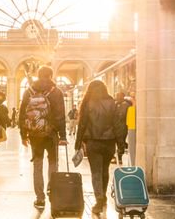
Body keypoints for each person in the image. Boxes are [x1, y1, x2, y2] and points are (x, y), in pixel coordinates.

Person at [18, 65, 67, 209]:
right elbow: (60, 116)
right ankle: (52, 192)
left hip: (35, 134)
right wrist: (62, 135)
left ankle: (40, 198)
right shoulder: (56, 92)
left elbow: (22, 114)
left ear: (38, 76)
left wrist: (23, 134)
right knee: (53, 164)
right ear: (51, 76)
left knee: (37, 165)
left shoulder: (29, 91)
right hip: (51, 134)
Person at [75, 80, 126, 214]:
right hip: (109, 143)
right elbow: (118, 125)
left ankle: (99, 199)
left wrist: (77, 143)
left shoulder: (87, 103)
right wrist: (121, 144)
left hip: (93, 142)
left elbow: (82, 125)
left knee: (96, 172)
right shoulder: (112, 103)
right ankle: (102, 195)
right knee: (105, 170)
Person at [114, 92, 131, 164]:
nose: (117, 98)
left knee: (120, 142)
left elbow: (122, 115)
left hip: (122, 126)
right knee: (119, 142)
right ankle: (118, 157)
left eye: (118, 96)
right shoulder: (117, 104)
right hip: (117, 126)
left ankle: (119, 157)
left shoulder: (125, 105)